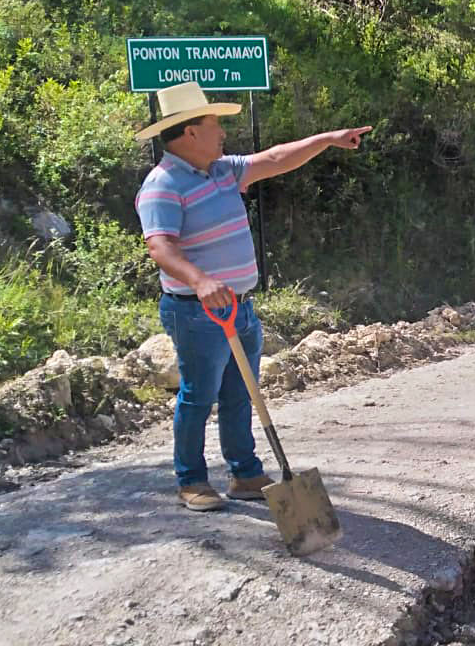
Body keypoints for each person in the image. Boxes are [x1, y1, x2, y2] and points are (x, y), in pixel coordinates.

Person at [134, 82, 371, 512]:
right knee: (198, 394)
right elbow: (160, 247)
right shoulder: (162, 185)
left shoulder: (223, 170)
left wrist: (329, 140)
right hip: (197, 310)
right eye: (214, 123)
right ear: (190, 132)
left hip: (239, 307)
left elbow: (277, 158)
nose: (223, 132)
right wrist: (200, 280)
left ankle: (245, 473)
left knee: (242, 392)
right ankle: (192, 480)